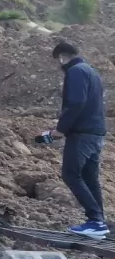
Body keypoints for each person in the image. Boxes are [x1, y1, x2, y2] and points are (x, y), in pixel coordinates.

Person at [50, 42, 108, 237]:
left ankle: (95, 221)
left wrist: (60, 129)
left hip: (82, 134)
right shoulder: (92, 72)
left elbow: (76, 103)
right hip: (96, 133)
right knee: (90, 178)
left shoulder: (75, 71)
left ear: (61, 57)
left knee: (70, 174)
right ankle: (100, 221)